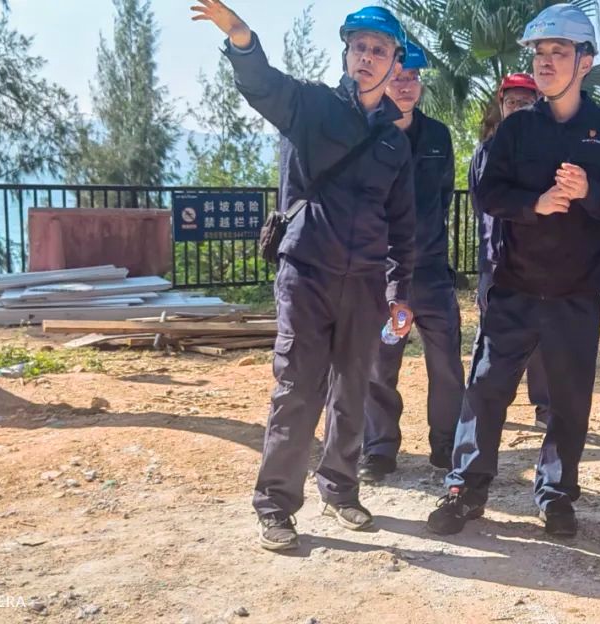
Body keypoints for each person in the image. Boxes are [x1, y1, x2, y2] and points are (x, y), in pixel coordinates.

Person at [191, 0, 416, 550]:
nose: (366, 57)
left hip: (365, 282)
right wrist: (241, 38)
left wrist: (398, 290)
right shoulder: (310, 106)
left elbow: (404, 225)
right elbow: (262, 85)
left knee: (353, 389)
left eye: (379, 50)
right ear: (347, 53)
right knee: (297, 389)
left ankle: (340, 488)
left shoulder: (394, 141)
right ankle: (275, 506)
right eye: (359, 47)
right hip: (307, 272)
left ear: (395, 63)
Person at [426, 3, 600, 538]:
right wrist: (534, 204)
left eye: (558, 52)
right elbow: (487, 193)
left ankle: (557, 495)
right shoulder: (517, 128)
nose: (545, 62)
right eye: (540, 53)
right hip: (514, 287)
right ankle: (465, 488)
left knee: (568, 401)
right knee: (486, 390)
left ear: (585, 61)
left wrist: (588, 191)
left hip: (577, 294)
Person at [359, 42, 465, 483]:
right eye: (399, 77)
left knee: (447, 363)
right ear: (385, 79)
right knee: (379, 364)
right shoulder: (368, 132)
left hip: (432, 271)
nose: (406, 86)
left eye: (414, 78)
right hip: (383, 274)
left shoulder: (438, 136)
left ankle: (447, 445)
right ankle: (379, 449)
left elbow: (443, 197)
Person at [469, 72, 552, 431]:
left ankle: (546, 407)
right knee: (489, 335)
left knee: (543, 336)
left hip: (539, 262)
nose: (518, 107)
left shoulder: (549, 151)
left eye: (526, 101)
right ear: (501, 106)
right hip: (496, 261)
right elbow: (480, 206)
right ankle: (481, 406)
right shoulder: (485, 153)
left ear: (538, 104)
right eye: (511, 101)